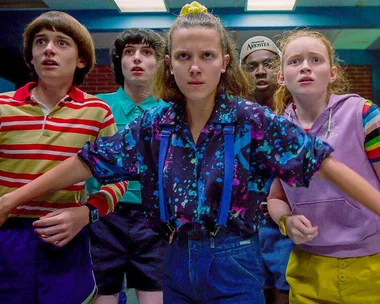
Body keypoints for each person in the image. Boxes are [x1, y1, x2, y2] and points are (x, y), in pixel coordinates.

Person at [1, 3, 380, 304]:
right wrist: (11, 201)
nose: (195, 67)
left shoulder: (252, 120)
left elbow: (322, 162)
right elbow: (88, 160)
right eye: (183, 56)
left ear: (224, 62)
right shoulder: (154, 124)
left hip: (236, 262)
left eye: (207, 56)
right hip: (174, 260)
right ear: (170, 63)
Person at [0, 11, 127, 303]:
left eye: (62, 43)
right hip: (7, 236)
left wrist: (86, 213)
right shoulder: (3, 107)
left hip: (65, 235)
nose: (48, 49)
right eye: (40, 42)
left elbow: (117, 181)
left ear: (81, 59)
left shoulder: (97, 112)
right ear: (30, 57)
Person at [268, 29, 380, 304]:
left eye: (315, 60)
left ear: (332, 73)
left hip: (371, 265)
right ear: (282, 77)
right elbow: (275, 198)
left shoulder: (365, 114)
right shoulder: (275, 131)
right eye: (295, 61)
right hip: (308, 268)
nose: (305, 66)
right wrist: (286, 221)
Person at [86, 28, 168, 304]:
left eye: (147, 53)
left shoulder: (170, 111)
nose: (137, 59)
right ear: (119, 61)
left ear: (160, 63)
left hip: (154, 220)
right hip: (104, 218)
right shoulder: (98, 107)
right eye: (129, 52)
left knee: (154, 296)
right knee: (103, 294)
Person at [240, 36, 294, 304]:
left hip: (288, 224)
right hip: (245, 226)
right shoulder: (232, 116)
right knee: (254, 291)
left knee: (286, 289)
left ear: (280, 69)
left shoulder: (297, 112)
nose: (260, 71)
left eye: (268, 63)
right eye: (251, 67)